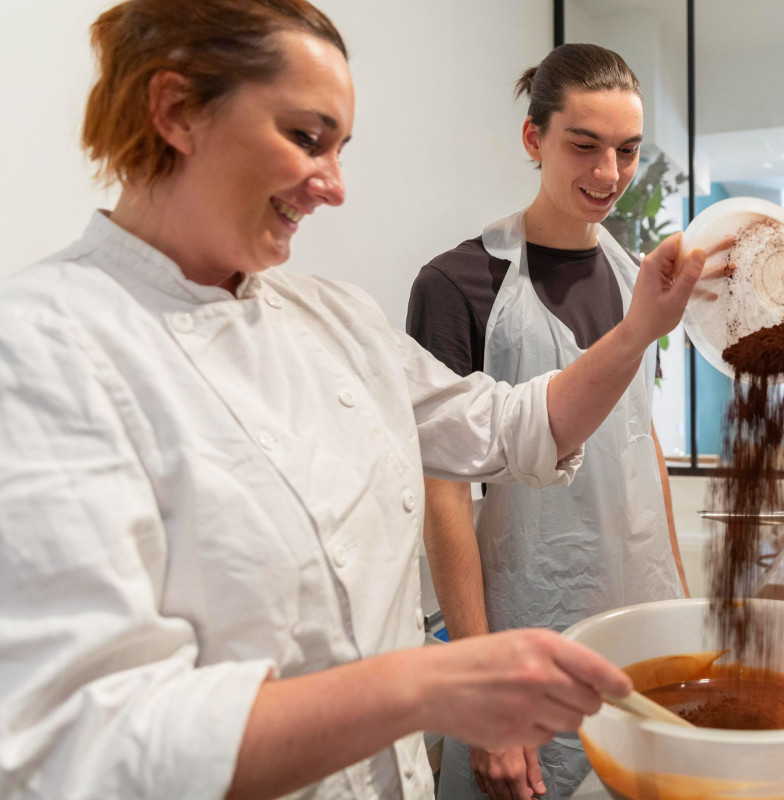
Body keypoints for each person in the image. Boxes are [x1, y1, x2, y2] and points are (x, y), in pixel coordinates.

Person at [0, 4, 704, 800]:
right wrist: (435, 683)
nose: (333, 186)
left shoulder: (334, 320)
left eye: (340, 148)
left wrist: (643, 324)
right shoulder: (43, 347)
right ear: (176, 112)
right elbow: (78, 743)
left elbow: (514, 428)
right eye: (306, 138)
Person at [406, 44, 688, 800]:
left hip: (639, 608)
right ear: (535, 140)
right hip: (526, 618)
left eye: (627, 151)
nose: (609, 175)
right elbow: (442, 493)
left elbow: (640, 437)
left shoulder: (637, 281)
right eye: (584, 146)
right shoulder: (457, 284)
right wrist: (482, 688)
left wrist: (683, 605)